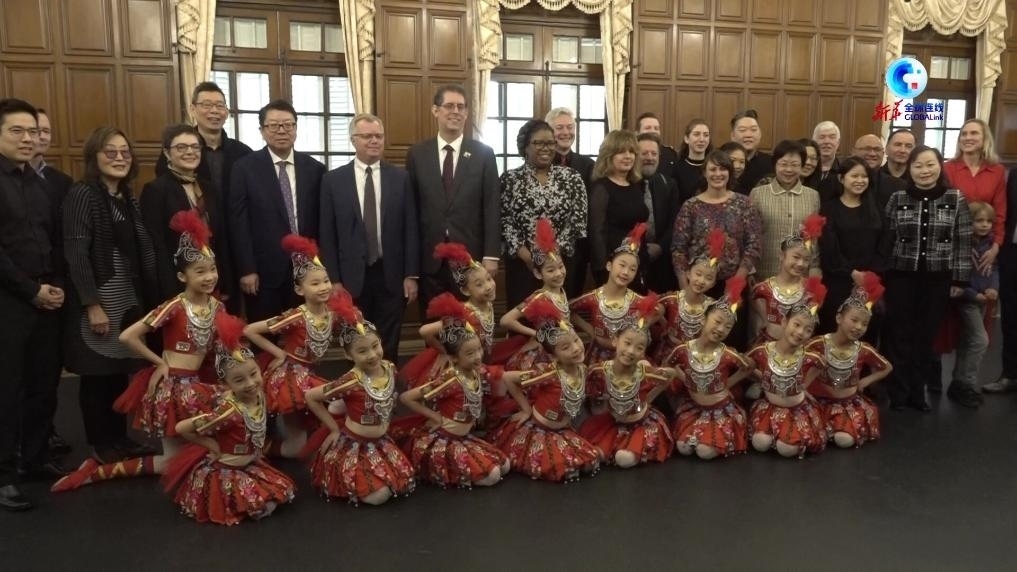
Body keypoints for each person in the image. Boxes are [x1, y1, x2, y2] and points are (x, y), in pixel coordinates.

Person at [52, 210, 224, 492]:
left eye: (212, 270)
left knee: (206, 451)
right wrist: (160, 363)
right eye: (200, 272)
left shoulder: (217, 307)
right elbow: (128, 336)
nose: (209, 277)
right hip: (174, 389)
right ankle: (98, 472)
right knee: (172, 462)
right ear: (182, 275)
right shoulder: (175, 306)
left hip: (200, 387)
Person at [63, 126, 159, 466]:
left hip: (126, 301)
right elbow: (76, 253)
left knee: (118, 372)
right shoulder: (83, 194)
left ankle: (120, 438)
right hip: (99, 301)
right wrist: (92, 305)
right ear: (95, 156)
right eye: (110, 152)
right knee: (96, 375)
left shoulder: (125, 197)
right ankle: (100, 443)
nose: (120, 158)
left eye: (125, 152)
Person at [163, 312, 295, 525]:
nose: (250, 383)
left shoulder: (259, 394)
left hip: (249, 462)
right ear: (226, 385)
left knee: (283, 491)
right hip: (227, 471)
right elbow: (182, 427)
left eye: (253, 374)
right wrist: (211, 445)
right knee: (259, 505)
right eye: (239, 380)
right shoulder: (229, 413)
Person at [0, 99, 67, 511]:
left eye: (33, 131)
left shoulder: (39, 183)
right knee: (7, 389)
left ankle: (35, 457)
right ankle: (4, 475)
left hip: (46, 297)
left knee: (44, 384)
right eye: (16, 131)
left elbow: (53, 240)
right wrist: (31, 290)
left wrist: (54, 285)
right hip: (10, 301)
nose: (28, 139)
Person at [318, 113, 419, 361]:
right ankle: (359, 383)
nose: (374, 141)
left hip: (391, 274)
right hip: (350, 276)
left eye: (378, 136)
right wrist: (334, 280)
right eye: (367, 136)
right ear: (353, 140)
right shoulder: (333, 181)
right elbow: (327, 234)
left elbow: (411, 228)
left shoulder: (401, 178)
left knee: (389, 338)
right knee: (356, 337)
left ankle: (388, 380)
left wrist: (411, 274)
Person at [303, 290, 415, 505]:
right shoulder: (350, 381)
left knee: (400, 485)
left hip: (380, 443)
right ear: (348, 355)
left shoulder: (389, 368)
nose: (372, 355)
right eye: (362, 351)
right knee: (379, 496)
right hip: (356, 446)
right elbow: (311, 396)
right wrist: (333, 429)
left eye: (375, 346)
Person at [883, 146, 972, 412]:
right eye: (918, 166)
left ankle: (917, 393)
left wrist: (959, 280)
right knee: (899, 335)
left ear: (939, 166)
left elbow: (963, 241)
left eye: (930, 164)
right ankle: (898, 393)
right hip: (901, 276)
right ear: (910, 169)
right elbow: (887, 238)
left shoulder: (956, 198)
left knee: (925, 336)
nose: (924, 171)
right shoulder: (897, 198)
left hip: (937, 278)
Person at [398, 293, 510, 488]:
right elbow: (407, 398)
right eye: (470, 353)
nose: (478, 356)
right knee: (492, 476)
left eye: (479, 350)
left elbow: (503, 377)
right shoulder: (450, 380)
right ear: (454, 358)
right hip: (445, 440)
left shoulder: (476, 372)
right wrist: (435, 417)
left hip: (463, 437)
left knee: (505, 465)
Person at [228, 99, 326, 321]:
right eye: (274, 125)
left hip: (307, 270)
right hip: (263, 271)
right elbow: (238, 222)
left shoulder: (315, 169)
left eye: (288, 125)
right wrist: (247, 268)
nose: (282, 131)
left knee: (305, 331)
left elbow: (322, 222)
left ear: (296, 128)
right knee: (265, 332)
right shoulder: (244, 168)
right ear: (262, 130)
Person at [242, 235, 339, 457]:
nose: (323, 287)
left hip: (309, 375)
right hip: (290, 379)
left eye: (326, 281)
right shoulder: (296, 317)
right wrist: (279, 353)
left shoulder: (332, 314)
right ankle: (262, 450)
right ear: (299, 290)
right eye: (315, 283)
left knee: (335, 404)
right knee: (298, 447)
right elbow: (249, 330)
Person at [405, 85, 500, 310]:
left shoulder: (483, 154)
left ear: (466, 113)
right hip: (430, 261)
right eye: (449, 106)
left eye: (461, 107)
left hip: (471, 259)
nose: (455, 111)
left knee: (470, 323)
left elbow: (492, 206)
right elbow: (411, 211)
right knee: (434, 322)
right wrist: (411, 268)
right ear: (435, 110)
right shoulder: (417, 154)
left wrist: (492, 255)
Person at [491, 298, 601, 482]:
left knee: (590, 462)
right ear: (553, 356)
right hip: (538, 431)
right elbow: (508, 378)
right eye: (565, 347)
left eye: (576, 340)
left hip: (562, 430)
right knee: (564, 469)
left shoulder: (583, 370)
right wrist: (526, 409)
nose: (576, 348)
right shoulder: (548, 373)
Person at [578, 295, 677, 469]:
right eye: (627, 343)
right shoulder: (600, 371)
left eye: (639, 348)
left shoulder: (644, 371)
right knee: (594, 456)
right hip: (614, 423)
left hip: (641, 424)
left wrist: (648, 399)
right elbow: (590, 393)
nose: (631, 351)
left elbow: (669, 375)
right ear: (615, 340)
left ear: (644, 352)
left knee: (623, 459)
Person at [500, 119, 586, 309]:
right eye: (539, 143)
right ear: (525, 146)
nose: (546, 148)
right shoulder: (510, 179)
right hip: (523, 265)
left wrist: (553, 255)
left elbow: (578, 220)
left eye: (550, 143)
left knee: (558, 320)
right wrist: (526, 255)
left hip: (560, 265)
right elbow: (504, 220)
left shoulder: (572, 177)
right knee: (523, 318)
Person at [142, 124, 233, 303]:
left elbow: (221, 237)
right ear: (167, 153)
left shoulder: (208, 188)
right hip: (178, 281)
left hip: (211, 278)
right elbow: (157, 245)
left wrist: (226, 281)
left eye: (195, 147)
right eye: (181, 147)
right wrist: (168, 289)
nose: (190, 152)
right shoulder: (155, 190)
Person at [664, 278, 753, 459]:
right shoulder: (683, 350)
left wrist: (727, 384)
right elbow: (668, 364)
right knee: (683, 447)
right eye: (717, 321)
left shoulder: (728, 354)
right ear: (704, 319)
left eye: (727, 327)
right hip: (694, 409)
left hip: (720, 410)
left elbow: (748, 367)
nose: (720, 329)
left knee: (704, 452)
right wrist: (686, 380)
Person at [29, 107, 73, 458]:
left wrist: (58, 283)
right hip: (17, 290)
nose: (38, 137)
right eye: (31, 130)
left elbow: (63, 239)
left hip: (54, 286)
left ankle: (43, 439)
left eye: (44, 131)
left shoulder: (60, 182)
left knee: (46, 374)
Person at [806, 276, 892, 448]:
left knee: (844, 440)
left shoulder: (863, 350)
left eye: (864, 324)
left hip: (847, 404)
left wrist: (866, 381)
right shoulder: (818, 344)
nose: (859, 327)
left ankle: (834, 429)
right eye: (854, 320)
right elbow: (799, 360)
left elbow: (887, 367)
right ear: (839, 318)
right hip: (818, 401)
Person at [671, 150, 761, 301]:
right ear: (704, 173)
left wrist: (737, 282)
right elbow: (678, 249)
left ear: (729, 172)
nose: (718, 174)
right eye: (713, 169)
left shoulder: (744, 204)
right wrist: (685, 286)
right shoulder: (690, 206)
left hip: (733, 283)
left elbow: (754, 246)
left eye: (723, 169)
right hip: (697, 285)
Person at [818, 156, 892, 337]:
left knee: (866, 333)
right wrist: (852, 273)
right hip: (837, 282)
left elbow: (885, 243)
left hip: (870, 283)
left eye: (864, 176)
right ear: (841, 178)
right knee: (835, 332)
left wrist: (870, 275)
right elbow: (829, 247)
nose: (860, 180)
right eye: (854, 176)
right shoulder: (829, 209)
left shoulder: (877, 208)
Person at [746, 300, 826, 459]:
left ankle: (783, 440)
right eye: (796, 324)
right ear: (784, 322)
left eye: (808, 330)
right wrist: (765, 378)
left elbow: (821, 365)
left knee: (786, 449)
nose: (800, 332)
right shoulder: (763, 351)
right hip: (770, 408)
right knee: (760, 443)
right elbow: (746, 365)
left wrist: (804, 385)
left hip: (796, 410)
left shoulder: (809, 357)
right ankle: (774, 436)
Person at [155, 81, 253, 203]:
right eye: (207, 105)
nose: (214, 111)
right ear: (192, 109)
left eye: (220, 105)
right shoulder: (177, 151)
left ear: (226, 112)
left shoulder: (243, 152)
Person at [571, 224, 654, 366]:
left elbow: (657, 311)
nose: (626, 272)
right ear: (609, 265)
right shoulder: (593, 298)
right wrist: (590, 330)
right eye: (622, 265)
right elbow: (567, 310)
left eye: (632, 269)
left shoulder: (639, 302)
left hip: (628, 360)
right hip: (597, 360)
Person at [495, 218, 570, 371]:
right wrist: (536, 334)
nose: (558, 273)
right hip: (543, 355)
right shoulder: (539, 298)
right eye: (550, 270)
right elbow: (505, 320)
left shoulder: (561, 291)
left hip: (562, 349)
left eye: (561, 266)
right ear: (538, 274)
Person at [945, 201, 998, 407]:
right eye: (979, 220)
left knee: (968, 340)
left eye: (988, 221)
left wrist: (993, 288)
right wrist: (973, 294)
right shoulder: (962, 245)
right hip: (967, 299)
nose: (984, 225)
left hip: (984, 298)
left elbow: (994, 269)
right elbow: (956, 275)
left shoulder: (990, 245)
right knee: (980, 340)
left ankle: (958, 384)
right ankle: (967, 382)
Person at [750, 139, 821, 279]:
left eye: (794, 165)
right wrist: (750, 270)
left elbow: (814, 239)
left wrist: (814, 267)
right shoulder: (758, 194)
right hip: (764, 273)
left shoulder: (813, 196)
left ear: (802, 166)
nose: (789, 170)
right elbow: (750, 235)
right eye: (783, 164)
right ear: (775, 164)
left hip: (800, 274)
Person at [944, 119, 1006, 278]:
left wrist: (996, 246)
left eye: (974, 133)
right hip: (953, 242)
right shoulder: (947, 168)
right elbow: (943, 211)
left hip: (984, 245)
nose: (967, 137)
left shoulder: (997, 171)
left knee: (985, 288)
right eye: (964, 134)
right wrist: (960, 244)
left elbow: (1000, 212)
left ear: (985, 139)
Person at [546, 107, 595, 299]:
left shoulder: (588, 165)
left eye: (570, 127)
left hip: (577, 250)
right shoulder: (540, 163)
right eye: (559, 128)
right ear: (549, 131)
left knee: (571, 300)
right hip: (544, 247)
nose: (566, 132)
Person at [653, 228, 722, 364]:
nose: (701, 281)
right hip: (666, 357)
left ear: (713, 284)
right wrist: (664, 324)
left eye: (708, 278)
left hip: (695, 360)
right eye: (698, 274)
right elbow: (650, 308)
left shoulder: (713, 308)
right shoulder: (671, 299)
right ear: (688, 274)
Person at [588, 130, 646, 287]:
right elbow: (596, 231)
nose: (628, 156)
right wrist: (603, 268)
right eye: (621, 152)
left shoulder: (636, 185)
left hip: (636, 260)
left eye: (631, 152)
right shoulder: (601, 188)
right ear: (609, 156)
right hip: (612, 266)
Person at [985, 165, 1017, 394]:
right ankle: (1010, 375)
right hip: (1012, 254)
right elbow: (1004, 214)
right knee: (1011, 318)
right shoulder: (1014, 174)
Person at [636, 132, 681, 293]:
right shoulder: (625, 184)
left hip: (663, 261)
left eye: (654, 153)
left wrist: (660, 246)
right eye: (644, 153)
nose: (650, 157)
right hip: (631, 259)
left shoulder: (669, 184)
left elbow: (675, 221)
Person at [852, 134, 906, 210]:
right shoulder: (841, 182)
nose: (872, 154)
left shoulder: (898, 186)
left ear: (883, 153)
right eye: (867, 149)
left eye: (877, 149)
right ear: (854, 152)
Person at [730, 110, 771, 193]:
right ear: (732, 136)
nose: (748, 135)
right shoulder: (721, 162)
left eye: (753, 130)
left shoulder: (771, 163)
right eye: (742, 130)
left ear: (760, 134)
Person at [673, 118, 711, 200]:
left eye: (706, 135)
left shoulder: (714, 167)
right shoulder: (677, 168)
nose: (702, 139)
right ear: (686, 139)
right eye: (696, 134)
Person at [635, 112, 679, 179]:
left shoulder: (670, 154)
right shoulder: (631, 152)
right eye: (648, 128)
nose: (653, 131)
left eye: (656, 128)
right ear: (637, 133)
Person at [812, 121, 843, 201]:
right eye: (822, 137)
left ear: (838, 143)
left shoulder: (844, 171)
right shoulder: (806, 168)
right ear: (814, 142)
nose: (826, 141)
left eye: (832, 137)